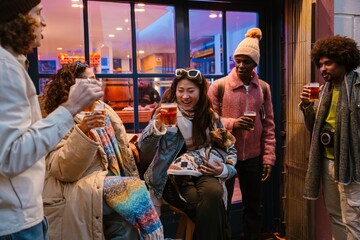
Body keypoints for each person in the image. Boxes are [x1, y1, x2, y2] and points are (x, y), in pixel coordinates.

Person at [0, 1, 103, 239]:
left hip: (25, 212)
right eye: (38, 13)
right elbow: (10, 156)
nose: (44, 22)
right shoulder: (5, 67)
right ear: (17, 18)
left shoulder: (12, 64)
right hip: (16, 221)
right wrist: (70, 109)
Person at [42, 62, 164, 240]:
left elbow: (108, 143)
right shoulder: (60, 118)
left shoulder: (103, 109)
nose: (97, 84)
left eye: (96, 79)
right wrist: (82, 132)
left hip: (106, 183)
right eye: (91, 81)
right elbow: (62, 169)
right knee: (126, 216)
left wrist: (127, 143)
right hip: (76, 189)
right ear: (73, 88)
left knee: (127, 222)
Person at [138, 68, 238, 240]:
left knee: (214, 194)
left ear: (201, 92)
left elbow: (230, 149)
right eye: (180, 91)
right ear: (174, 91)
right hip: (170, 178)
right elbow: (144, 148)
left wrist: (224, 169)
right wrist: (157, 126)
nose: (185, 96)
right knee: (210, 207)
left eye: (191, 91)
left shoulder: (210, 117)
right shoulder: (164, 113)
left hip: (202, 170)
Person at [208, 27, 276, 240]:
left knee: (253, 207)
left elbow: (269, 125)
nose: (241, 65)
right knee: (223, 206)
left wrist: (268, 158)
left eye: (247, 61)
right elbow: (209, 122)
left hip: (253, 157)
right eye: (238, 60)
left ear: (255, 64)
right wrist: (233, 123)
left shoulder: (263, 88)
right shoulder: (219, 86)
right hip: (225, 156)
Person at [299, 35, 360, 239]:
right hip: (327, 161)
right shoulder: (324, 91)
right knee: (335, 215)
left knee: (353, 218)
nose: (323, 69)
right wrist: (307, 106)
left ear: (344, 61)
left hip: (352, 164)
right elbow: (313, 127)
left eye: (329, 63)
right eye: (321, 64)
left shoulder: (357, 88)